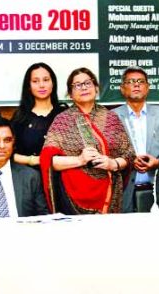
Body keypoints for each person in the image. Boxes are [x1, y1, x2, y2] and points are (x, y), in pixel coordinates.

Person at [40, 67, 135, 214]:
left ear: (96, 88)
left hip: (110, 194)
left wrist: (113, 163)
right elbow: (49, 160)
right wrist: (80, 159)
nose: (83, 88)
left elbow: (128, 155)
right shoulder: (63, 120)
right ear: (70, 94)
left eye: (87, 83)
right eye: (77, 85)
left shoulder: (111, 118)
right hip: (73, 196)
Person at [112, 66, 159, 213]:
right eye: (131, 81)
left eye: (140, 81)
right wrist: (128, 161)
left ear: (148, 87)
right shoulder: (111, 117)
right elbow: (107, 152)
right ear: (122, 88)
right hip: (123, 190)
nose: (136, 84)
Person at [9, 62, 66, 172]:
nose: (41, 85)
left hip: (62, 178)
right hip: (29, 178)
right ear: (29, 86)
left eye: (46, 80)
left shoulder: (64, 114)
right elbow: (9, 153)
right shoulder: (20, 116)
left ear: (53, 83)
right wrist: (34, 160)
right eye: (35, 81)